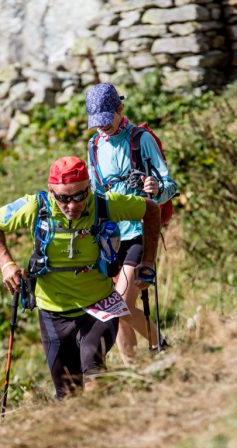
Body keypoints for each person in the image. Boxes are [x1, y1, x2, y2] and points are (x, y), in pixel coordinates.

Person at [0, 156, 161, 398]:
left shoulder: (104, 203)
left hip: (99, 307)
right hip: (52, 313)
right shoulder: (36, 207)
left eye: (79, 195)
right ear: (50, 191)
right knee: (67, 393)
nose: (72, 205)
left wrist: (148, 260)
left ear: (89, 187)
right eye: (63, 198)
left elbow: (151, 209)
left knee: (92, 363)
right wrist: (6, 264)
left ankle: (107, 420)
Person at [85, 82, 178, 365]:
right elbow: (94, 191)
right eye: (96, 123)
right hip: (110, 235)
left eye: (106, 120)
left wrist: (156, 187)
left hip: (139, 230)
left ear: (120, 110)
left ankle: (162, 347)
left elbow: (169, 185)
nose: (102, 128)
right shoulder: (94, 146)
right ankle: (133, 368)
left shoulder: (141, 139)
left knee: (120, 302)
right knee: (116, 306)